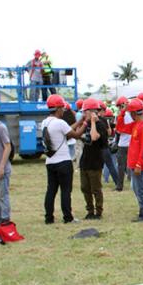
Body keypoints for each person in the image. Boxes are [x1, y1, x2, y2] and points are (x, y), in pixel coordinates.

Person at [42, 94, 88, 224]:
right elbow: (76, 135)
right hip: (63, 161)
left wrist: (78, 122)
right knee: (66, 191)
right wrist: (85, 122)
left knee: (51, 190)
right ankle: (68, 217)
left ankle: (48, 217)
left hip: (50, 162)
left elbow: (65, 133)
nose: (63, 110)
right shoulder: (60, 123)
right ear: (57, 108)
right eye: (62, 107)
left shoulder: (46, 122)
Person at [78, 98, 108, 220]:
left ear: (91, 111)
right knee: (85, 188)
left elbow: (94, 137)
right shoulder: (86, 124)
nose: (83, 114)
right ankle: (89, 210)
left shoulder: (100, 124)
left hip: (95, 161)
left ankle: (98, 211)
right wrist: (83, 122)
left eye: (85, 111)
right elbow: (78, 135)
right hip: (85, 160)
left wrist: (94, 122)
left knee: (96, 188)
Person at [125, 98, 143, 222]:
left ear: (133, 113)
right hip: (134, 163)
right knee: (138, 189)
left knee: (141, 189)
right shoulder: (136, 124)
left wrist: (138, 164)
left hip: (139, 164)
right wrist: (122, 112)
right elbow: (121, 127)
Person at [114, 96, 131, 191]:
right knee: (131, 165)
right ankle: (133, 182)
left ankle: (119, 186)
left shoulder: (121, 116)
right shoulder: (133, 115)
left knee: (121, 166)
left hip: (122, 144)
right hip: (131, 143)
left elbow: (119, 131)